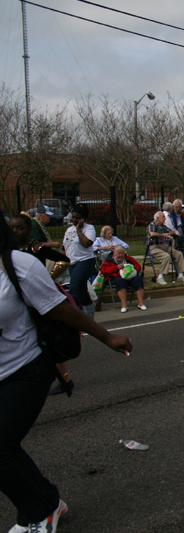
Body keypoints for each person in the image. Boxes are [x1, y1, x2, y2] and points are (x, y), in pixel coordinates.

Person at [0, 208, 132, 533]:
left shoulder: (17, 265)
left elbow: (60, 310)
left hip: (24, 368)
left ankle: (42, 510)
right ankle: (45, 501)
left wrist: (106, 337)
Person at [9, 214, 73, 396]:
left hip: (36, 298)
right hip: (17, 297)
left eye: (20, 228)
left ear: (29, 230)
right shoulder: (9, 248)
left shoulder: (35, 247)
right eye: (12, 228)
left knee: (45, 338)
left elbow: (63, 260)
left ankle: (65, 379)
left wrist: (46, 278)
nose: (15, 231)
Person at [62, 204, 97, 319]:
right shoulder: (69, 230)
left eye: (77, 218)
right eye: (73, 217)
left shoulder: (89, 229)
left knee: (74, 288)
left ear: (83, 218)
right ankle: (89, 315)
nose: (74, 220)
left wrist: (78, 229)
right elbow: (64, 247)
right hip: (72, 262)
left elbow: (86, 243)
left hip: (85, 261)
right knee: (82, 290)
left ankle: (75, 317)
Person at [147, 212, 184, 286]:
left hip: (164, 246)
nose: (165, 218)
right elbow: (152, 234)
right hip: (154, 247)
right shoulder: (152, 225)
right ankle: (160, 277)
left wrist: (169, 235)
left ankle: (180, 275)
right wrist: (163, 235)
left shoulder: (163, 226)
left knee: (179, 254)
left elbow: (171, 231)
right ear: (158, 218)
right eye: (163, 217)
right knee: (166, 256)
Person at [99, 245, 147, 313]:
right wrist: (116, 268)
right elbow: (103, 270)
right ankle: (124, 305)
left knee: (138, 279)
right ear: (115, 253)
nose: (121, 255)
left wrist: (131, 267)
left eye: (122, 253)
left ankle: (141, 303)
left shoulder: (129, 259)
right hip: (115, 277)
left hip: (129, 277)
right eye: (119, 253)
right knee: (121, 281)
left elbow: (138, 268)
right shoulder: (109, 260)